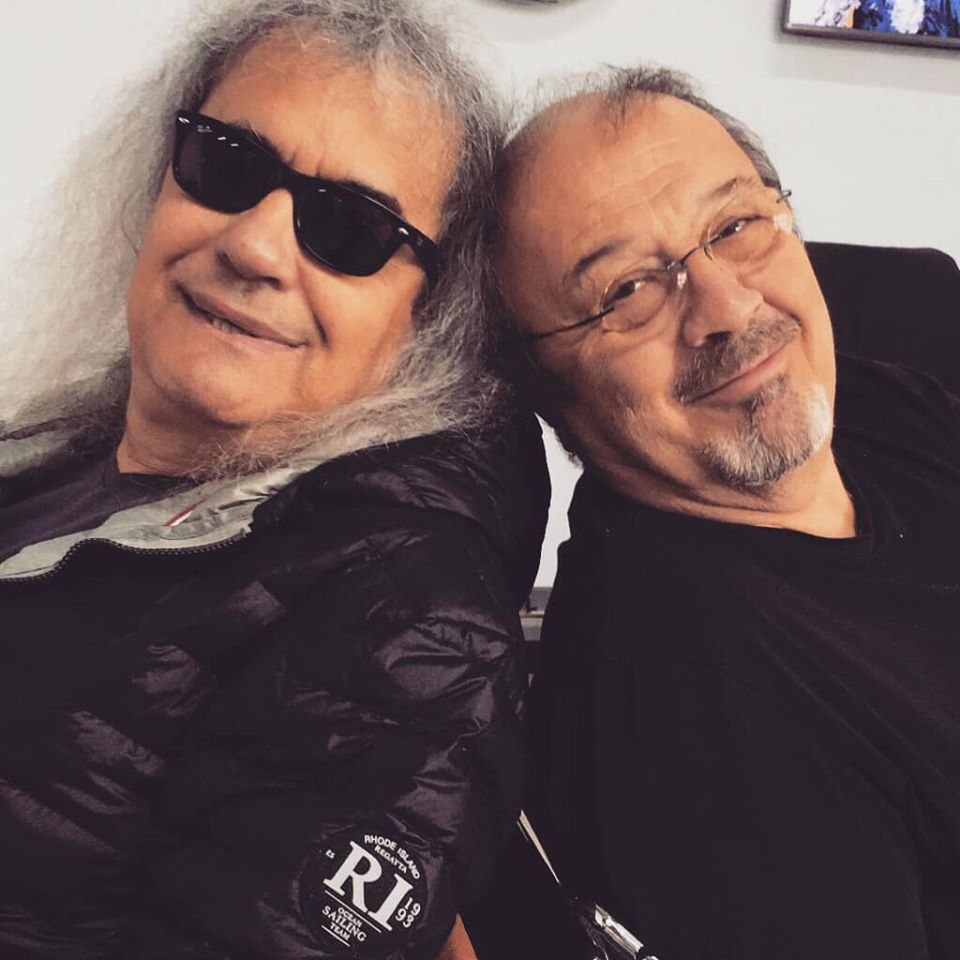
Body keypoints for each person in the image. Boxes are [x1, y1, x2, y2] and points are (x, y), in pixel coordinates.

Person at [0, 1, 549, 957]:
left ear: (427, 318)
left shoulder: (408, 627)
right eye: (228, 165)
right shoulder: (57, 449)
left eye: (351, 227)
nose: (255, 246)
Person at [492, 65, 960, 958]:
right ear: (541, 386)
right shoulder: (693, 696)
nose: (728, 308)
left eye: (737, 226)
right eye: (626, 291)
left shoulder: (875, 407)